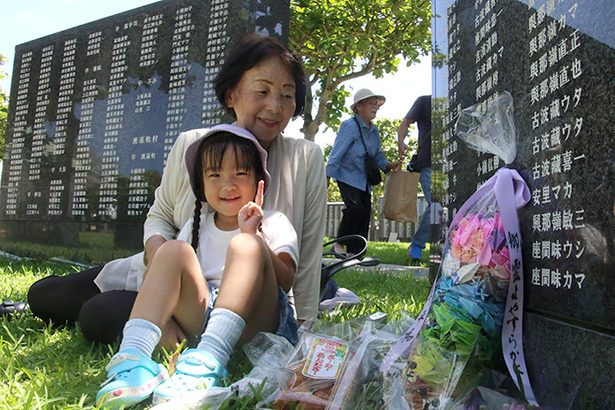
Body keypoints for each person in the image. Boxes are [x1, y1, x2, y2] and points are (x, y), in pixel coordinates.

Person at [27, 33, 327, 349]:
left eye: (286, 95)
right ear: (231, 95)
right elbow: (161, 215)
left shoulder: (305, 158)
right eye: (262, 91)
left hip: (232, 303)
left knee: (100, 314)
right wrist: (159, 253)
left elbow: (307, 252)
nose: (274, 107)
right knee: (44, 297)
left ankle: (186, 336)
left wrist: (303, 327)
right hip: (167, 277)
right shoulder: (192, 145)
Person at [96, 124, 299, 407]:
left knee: (245, 245)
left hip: (256, 323)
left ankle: (210, 361)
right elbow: (171, 281)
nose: (228, 185)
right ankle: (134, 359)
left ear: (258, 182)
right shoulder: (196, 225)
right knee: (172, 250)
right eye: (215, 175)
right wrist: (165, 324)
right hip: (203, 317)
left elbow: (287, 281)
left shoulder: (274, 221)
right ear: (201, 186)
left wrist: (255, 236)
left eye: (240, 173)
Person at [326, 88, 399, 255]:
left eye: (376, 105)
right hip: (347, 176)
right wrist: (327, 176)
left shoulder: (374, 131)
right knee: (354, 209)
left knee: (365, 213)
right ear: (358, 106)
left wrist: (388, 165)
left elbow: (377, 154)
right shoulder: (349, 126)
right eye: (371, 104)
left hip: (364, 181)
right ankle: (338, 245)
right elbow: (337, 152)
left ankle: (355, 252)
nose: (375, 108)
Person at [397, 95, 431, 260]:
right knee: (436, 204)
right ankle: (417, 244)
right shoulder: (424, 102)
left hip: (454, 163)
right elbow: (406, 122)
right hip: (428, 163)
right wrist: (400, 141)